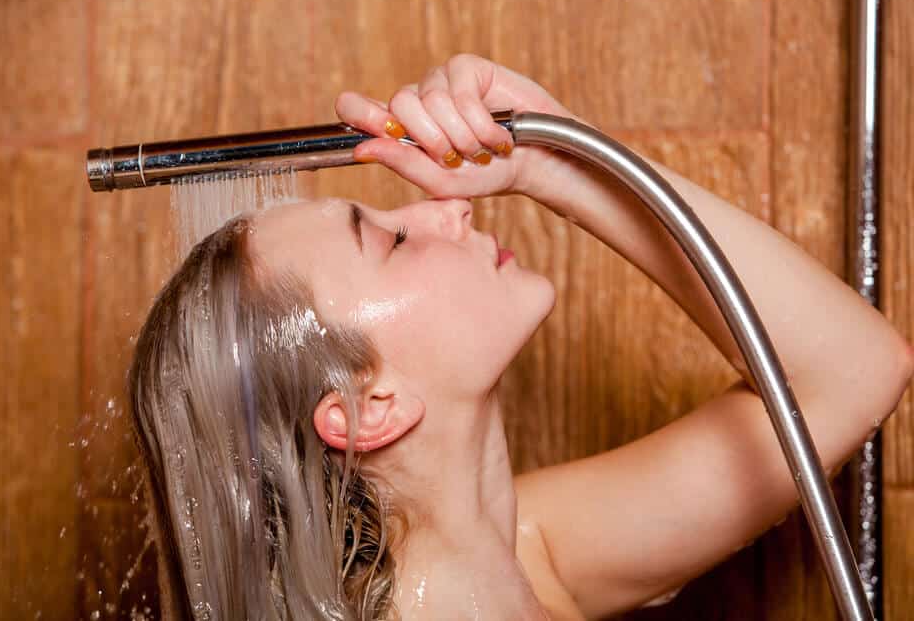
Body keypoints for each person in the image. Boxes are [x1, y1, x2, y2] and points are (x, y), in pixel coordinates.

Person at [128, 53, 913, 621]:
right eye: (394, 240)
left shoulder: (530, 550)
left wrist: (555, 162)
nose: (449, 208)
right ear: (368, 407)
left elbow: (855, 370)